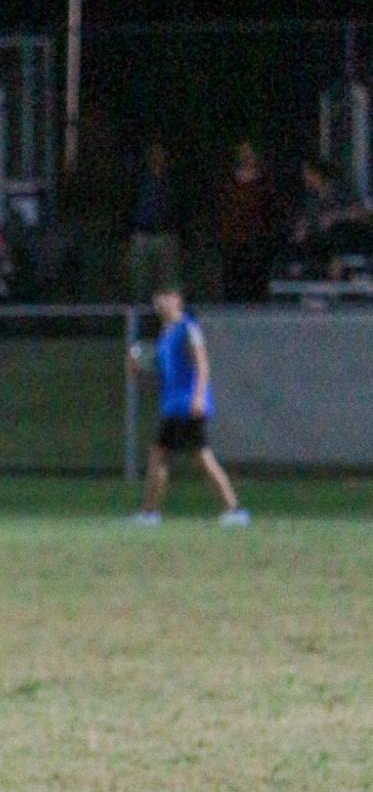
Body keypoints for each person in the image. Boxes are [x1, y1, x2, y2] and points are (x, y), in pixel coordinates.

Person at [130, 288, 250, 526]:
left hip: (187, 405)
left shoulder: (188, 328)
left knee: (198, 457)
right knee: (163, 455)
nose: (158, 301)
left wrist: (197, 397)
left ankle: (233, 510)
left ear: (177, 300)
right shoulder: (165, 335)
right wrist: (136, 371)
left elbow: (202, 364)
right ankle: (149, 513)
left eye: (164, 296)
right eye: (156, 297)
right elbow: (160, 377)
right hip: (172, 407)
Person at [214, 139, 275, 301]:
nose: (246, 157)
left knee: (255, 284)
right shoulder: (229, 181)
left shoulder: (264, 181)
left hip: (256, 241)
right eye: (243, 153)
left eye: (249, 153)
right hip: (232, 240)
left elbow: (269, 210)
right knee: (233, 284)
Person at [127, 138, 183, 303]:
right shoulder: (138, 178)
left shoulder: (173, 180)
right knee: (139, 286)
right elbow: (129, 204)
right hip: (142, 235)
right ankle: (139, 325)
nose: (157, 157)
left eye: (160, 153)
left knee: (168, 287)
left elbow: (180, 207)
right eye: (153, 153)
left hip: (166, 236)